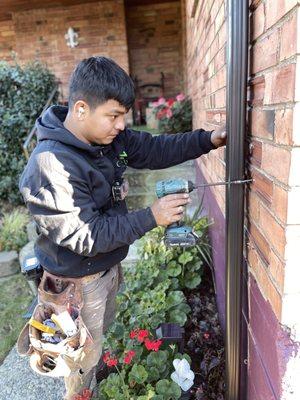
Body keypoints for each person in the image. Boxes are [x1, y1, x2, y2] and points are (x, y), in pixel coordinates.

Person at [19, 56, 226, 399]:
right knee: (79, 361)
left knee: (94, 345)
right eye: (113, 116)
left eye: (123, 116)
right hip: (77, 286)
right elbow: (85, 235)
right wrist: (151, 216)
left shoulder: (105, 140)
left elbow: (154, 148)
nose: (120, 125)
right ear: (82, 109)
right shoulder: (51, 165)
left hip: (102, 271)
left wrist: (208, 140)